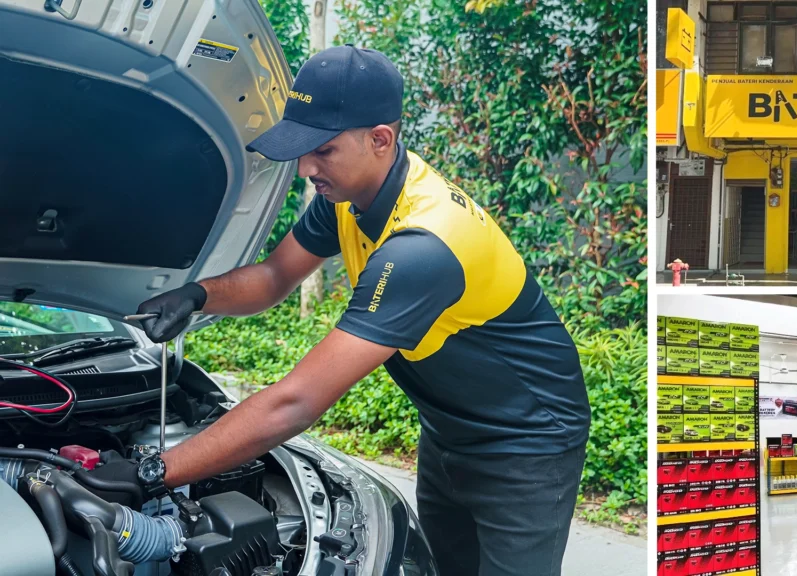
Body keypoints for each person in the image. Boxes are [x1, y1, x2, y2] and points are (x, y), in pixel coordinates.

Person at [107, 46, 591, 576]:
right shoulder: (345, 199)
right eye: (301, 148)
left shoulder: (424, 247)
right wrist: (197, 294)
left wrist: (154, 472)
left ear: (380, 139)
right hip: (449, 429)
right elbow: (273, 278)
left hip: (527, 444)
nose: (307, 167)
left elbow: (294, 404)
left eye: (323, 151)